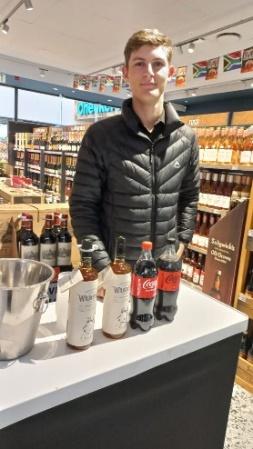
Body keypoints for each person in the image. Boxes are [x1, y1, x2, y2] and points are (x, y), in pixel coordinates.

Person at [70, 28, 199, 276]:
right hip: (112, 276)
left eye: (158, 64)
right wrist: (103, 268)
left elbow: (189, 197)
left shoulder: (187, 139)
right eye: (140, 63)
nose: (149, 73)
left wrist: (180, 245)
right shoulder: (100, 136)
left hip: (162, 276)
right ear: (126, 72)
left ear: (170, 73)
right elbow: (82, 207)